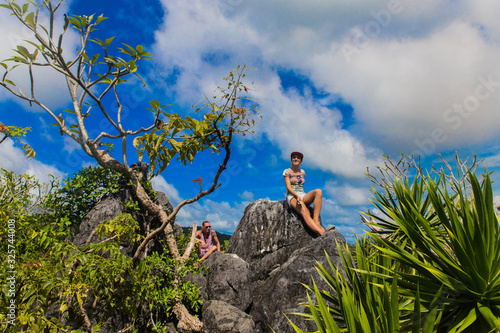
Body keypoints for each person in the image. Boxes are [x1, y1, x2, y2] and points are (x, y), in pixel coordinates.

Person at [283, 151, 334, 236]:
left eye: (298, 158)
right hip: (292, 196)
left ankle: (316, 221)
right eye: (294, 157)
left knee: (318, 191)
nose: (296, 159)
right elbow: (288, 187)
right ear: (291, 160)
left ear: (301, 161)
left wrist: (300, 196)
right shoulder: (287, 171)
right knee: (305, 211)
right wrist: (296, 196)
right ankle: (322, 232)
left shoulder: (302, 172)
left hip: (302, 194)